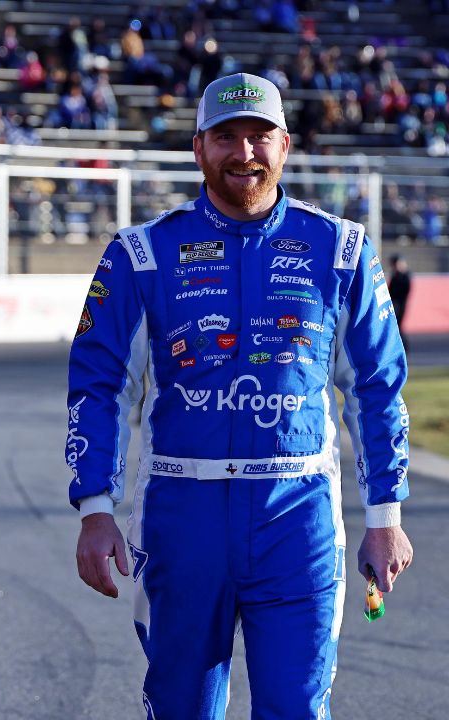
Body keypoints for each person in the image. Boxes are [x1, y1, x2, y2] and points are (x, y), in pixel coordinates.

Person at [68, 73, 413, 719]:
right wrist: (94, 507)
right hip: (181, 516)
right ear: (198, 148)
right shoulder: (140, 253)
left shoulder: (341, 249)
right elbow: (99, 385)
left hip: (297, 515)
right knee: (180, 707)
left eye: (258, 136)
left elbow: (376, 387)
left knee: (295, 708)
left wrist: (385, 516)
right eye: (226, 136)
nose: (244, 153)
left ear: (285, 145)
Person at [388, 253, 411, 347]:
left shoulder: (405, 276)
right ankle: (401, 345)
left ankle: (404, 345)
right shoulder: (395, 275)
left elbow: (405, 290)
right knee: (395, 325)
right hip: (394, 303)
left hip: (400, 304)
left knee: (398, 325)